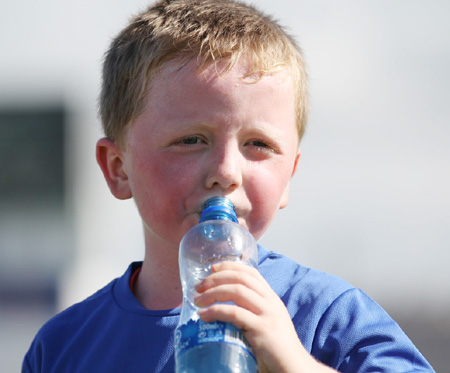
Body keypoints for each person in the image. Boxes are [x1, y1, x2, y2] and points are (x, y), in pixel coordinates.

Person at [23, 0, 434, 372]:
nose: (226, 171)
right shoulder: (63, 347)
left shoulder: (330, 318)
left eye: (258, 144)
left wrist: (293, 363)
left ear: (290, 174)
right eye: (190, 140)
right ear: (118, 168)